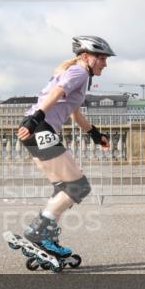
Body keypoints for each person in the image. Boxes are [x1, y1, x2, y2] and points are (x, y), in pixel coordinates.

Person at [16, 35, 115, 258]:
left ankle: (47, 238)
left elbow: (74, 112)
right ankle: (39, 233)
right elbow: (57, 94)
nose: (105, 64)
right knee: (78, 187)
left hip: (37, 129)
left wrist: (95, 134)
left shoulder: (76, 74)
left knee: (64, 187)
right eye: (102, 58)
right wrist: (36, 119)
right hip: (40, 128)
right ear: (87, 56)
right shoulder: (79, 72)